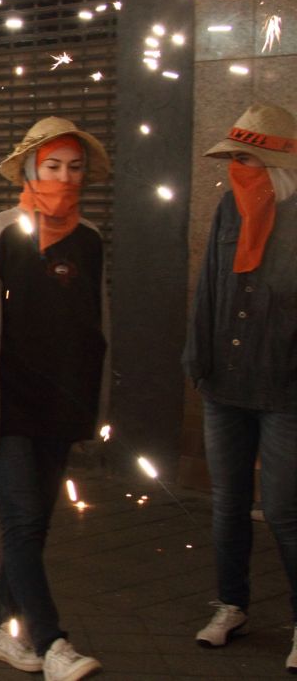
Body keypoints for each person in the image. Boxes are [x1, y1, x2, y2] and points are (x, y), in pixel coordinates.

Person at [0, 116, 109, 680]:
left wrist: (94, 404)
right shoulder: (1, 231)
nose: (64, 177)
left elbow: (96, 327)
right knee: (21, 522)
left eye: (74, 168)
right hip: (9, 406)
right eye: (52, 167)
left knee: (33, 527)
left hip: (60, 410)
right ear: (29, 170)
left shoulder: (88, 240)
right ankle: (51, 643)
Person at [183, 102, 297, 674]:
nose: (237, 170)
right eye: (234, 160)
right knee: (228, 503)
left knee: (282, 508)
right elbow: (208, 284)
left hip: (284, 388)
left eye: (247, 159)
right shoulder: (230, 207)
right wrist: (197, 354)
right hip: (224, 381)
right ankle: (232, 604)